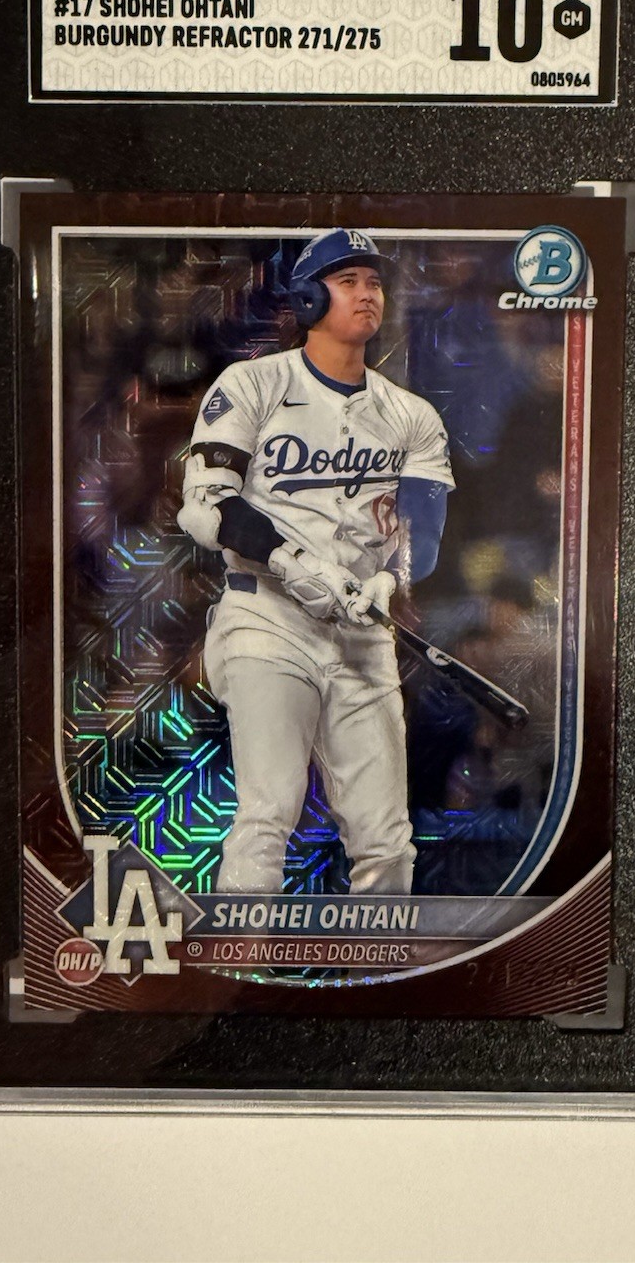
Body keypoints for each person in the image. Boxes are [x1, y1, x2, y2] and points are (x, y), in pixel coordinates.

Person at [177, 229, 454, 894]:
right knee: (269, 811)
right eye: (348, 280)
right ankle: (239, 953)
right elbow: (208, 505)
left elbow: (425, 531)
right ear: (307, 297)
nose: (367, 294)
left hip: (362, 630)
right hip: (268, 617)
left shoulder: (412, 415)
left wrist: (390, 580)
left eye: (374, 282)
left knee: (387, 841)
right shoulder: (254, 384)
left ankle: (379, 961)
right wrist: (292, 560)